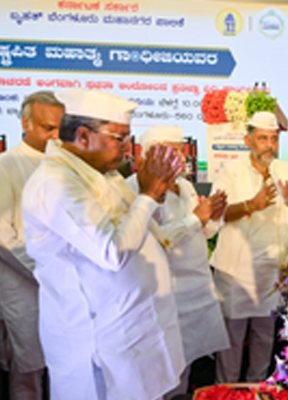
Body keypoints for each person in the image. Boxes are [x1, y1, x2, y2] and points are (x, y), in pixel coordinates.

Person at [21, 88, 186, 400]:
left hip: (133, 331)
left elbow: (141, 228)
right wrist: (148, 195)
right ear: (84, 136)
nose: (127, 148)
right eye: (120, 138)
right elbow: (112, 251)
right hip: (98, 342)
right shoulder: (55, 183)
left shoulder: (102, 173)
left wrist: (156, 193)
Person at [126, 125, 230, 398]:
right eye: (173, 152)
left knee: (186, 365)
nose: (182, 158)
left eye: (182, 151)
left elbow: (203, 232)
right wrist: (196, 217)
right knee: (162, 369)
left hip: (196, 293)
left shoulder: (185, 185)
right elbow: (153, 241)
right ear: (150, 155)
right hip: (166, 295)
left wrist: (213, 216)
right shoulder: (135, 189)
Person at [211, 111, 288, 383]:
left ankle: (256, 391)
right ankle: (226, 393)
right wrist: (250, 206)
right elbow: (216, 213)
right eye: (262, 139)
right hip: (236, 274)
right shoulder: (230, 171)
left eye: (273, 139)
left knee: (264, 341)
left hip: (271, 273)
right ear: (248, 141)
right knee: (231, 344)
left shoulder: (287, 170)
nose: (269, 145)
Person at [0, 91, 64, 400]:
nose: (56, 136)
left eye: (61, 129)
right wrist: (43, 272)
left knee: (67, 364)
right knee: (29, 370)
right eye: (48, 128)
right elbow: (3, 235)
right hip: (24, 287)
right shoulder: (6, 165)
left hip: (67, 287)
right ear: (26, 123)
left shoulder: (67, 167)